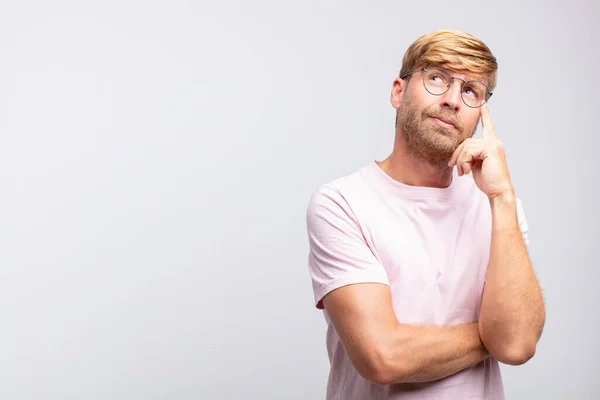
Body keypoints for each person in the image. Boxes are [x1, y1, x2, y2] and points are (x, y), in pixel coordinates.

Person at [305, 30, 545, 399]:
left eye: (471, 91)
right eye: (437, 78)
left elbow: (516, 346)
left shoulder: (498, 207)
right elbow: (383, 357)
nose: (452, 100)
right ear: (398, 92)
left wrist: (503, 197)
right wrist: (491, 334)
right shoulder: (342, 203)